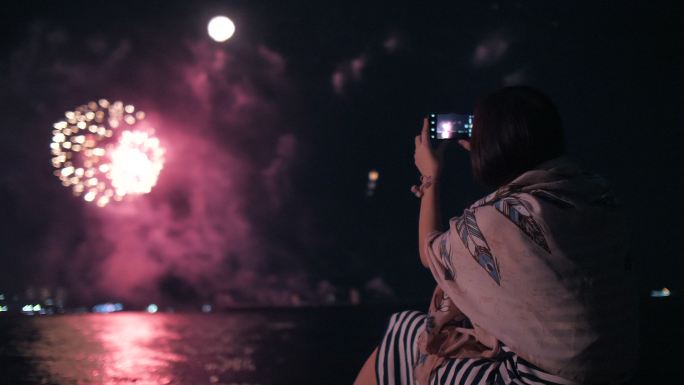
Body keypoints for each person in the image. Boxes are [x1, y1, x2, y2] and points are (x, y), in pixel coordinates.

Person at [353, 86, 638, 385]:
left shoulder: (502, 218)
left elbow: (430, 252)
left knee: (404, 336)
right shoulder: (597, 196)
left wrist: (430, 179)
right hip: (615, 372)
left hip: (545, 381)